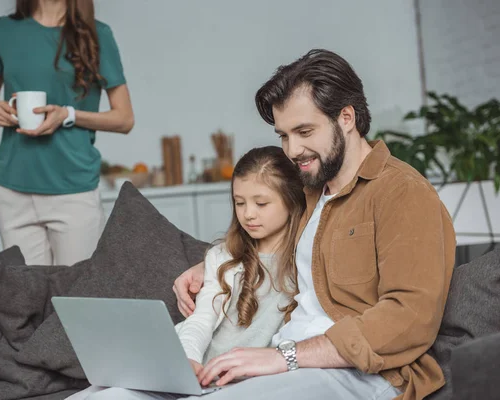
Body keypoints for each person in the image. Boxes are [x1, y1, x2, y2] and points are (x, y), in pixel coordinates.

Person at [172, 49, 456, 400]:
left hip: (359, 373)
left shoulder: (403, 193)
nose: (293, 150)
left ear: (347, 118)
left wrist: (286, 357)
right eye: (284, 135)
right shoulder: (309, 190)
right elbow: (267, 237)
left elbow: (410, 318)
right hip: (288, 363)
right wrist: (211, 264)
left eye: (305, 131)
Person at [67, 146, 306, 400]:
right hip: (198, 372)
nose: (248, 213)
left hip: (247, 381)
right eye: (239, 202)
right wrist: (188, 358)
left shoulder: (305, 260)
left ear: (292, 200)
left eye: (261, 203)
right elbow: (201, 320)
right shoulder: (222, 257)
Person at [0, 0, 134, 266]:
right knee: (26, 301)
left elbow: (124, 118)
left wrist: (68, 115)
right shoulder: (3, 30)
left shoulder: (97, 34)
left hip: (72, 190)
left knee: (77, 299)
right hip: (13, 189)